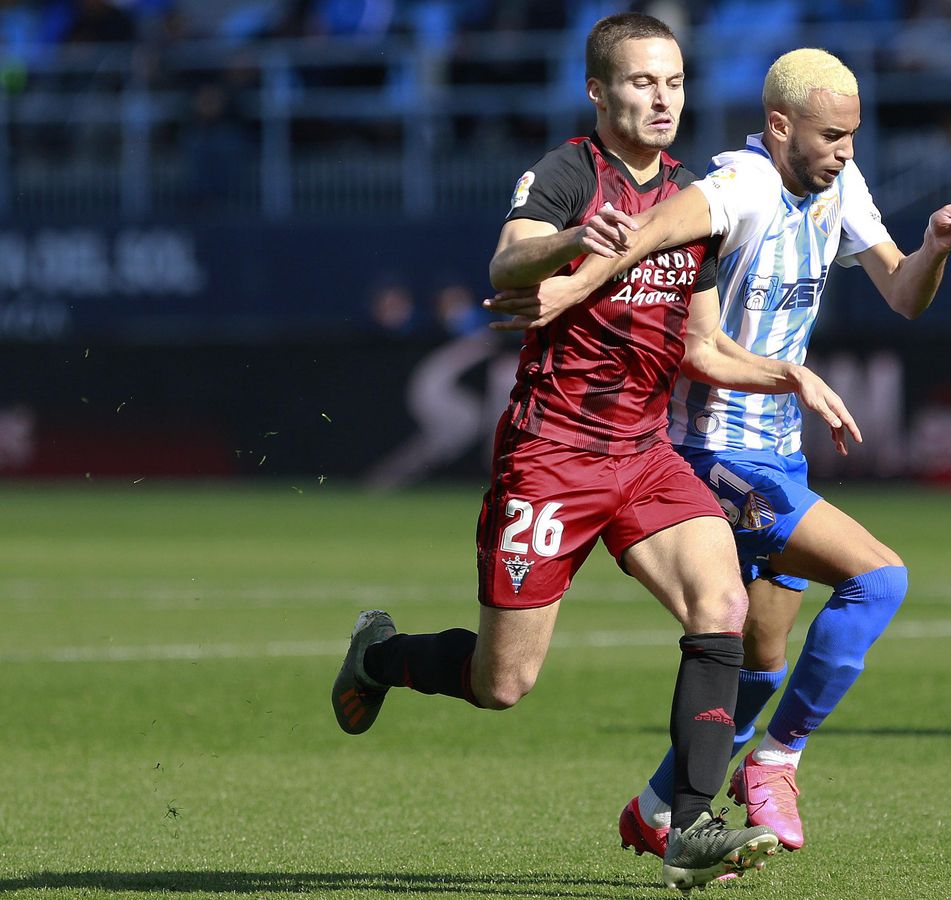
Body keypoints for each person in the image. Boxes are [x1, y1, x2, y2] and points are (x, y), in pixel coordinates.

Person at [330, 15, 860, 892]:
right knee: (503, 683)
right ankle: (380, 656)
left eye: (675, 83)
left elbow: (700, 346)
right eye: (643, 82)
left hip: (646, 453)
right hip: (551, 456)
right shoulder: (571, 171)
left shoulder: (695, 196)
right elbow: (508, 264)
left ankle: (687, 826)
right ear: (599, 92)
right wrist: (575, 241)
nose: (662, 99)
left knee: (721, 599)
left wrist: (786, 374)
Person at [488, 48, 951, 853]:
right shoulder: (739, 185)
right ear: (778, 125)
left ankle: (659, 807)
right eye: (832, 135)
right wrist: (562, 288)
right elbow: (646, 236)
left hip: (776, 453)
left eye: (854, 136)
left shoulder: (842, 185)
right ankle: (774, 763)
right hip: (705, 452)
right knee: (879, 579)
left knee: (759, 664)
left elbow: (903, 294)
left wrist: (935, 247)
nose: (846, 151)